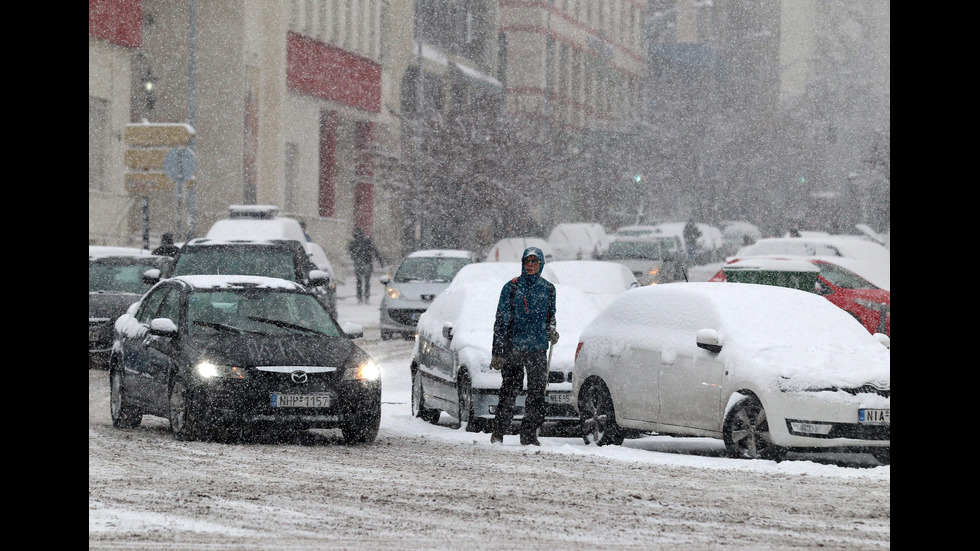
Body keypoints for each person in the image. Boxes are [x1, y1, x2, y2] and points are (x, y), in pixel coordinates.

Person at [488, 247, 559, 446]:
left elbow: (550, 316)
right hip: (514, 348)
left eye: (534, 262)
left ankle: (528, 435)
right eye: (527, 262)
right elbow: (500, 321)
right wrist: (498, 352)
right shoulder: (511, 287)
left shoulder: (548, 289)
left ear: (541, 264)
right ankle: (499, 432)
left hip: (537, 348)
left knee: (537, 393)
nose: (530, 266)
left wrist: (551, 330)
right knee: (510, 391)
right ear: (522, 263)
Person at [347, 227, 385, 304]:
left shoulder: (353, 243)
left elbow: (350, 252)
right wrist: (381, 262)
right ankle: (366, 298)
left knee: (359, 282)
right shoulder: (368, 241)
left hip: (358, 264)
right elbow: (375, 252)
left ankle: (359, 298)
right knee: (367, 282)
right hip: (367, 263)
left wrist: (355, 258)